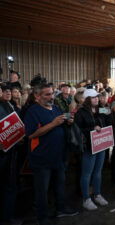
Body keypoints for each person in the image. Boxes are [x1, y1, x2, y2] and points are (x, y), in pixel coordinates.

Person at [24, 83, 78, 225]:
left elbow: (63, 118)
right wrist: (53, 124)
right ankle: (42, 217)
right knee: (42, 189)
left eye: (52, 93)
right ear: (37, 96)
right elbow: (31, 135)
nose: (51, 97)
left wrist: (69, 120)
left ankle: (60, 208)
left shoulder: (56, 108)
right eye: (47, 94)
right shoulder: (32, 111)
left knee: (60, 184)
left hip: (59, 155)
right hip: (42, 158)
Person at [74, 88, 111, 210]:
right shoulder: (81, 112)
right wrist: (92, 128)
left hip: (101, 144)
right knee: (87, 173)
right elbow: (77, 130)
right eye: (94, 97)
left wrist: (106, 111)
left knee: (98, 172)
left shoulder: (100, 109)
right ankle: (86, 198)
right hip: (88, 147)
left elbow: (110, 114)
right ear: (88, 99)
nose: (97, 98)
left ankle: (97, 194)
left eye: (97, 97)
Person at [0, 85, 22, 225]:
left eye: (9, 91)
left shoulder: (9, 105)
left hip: (11, 152)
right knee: (7, 186)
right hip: (3, 156)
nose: (7, 93)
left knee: (9, 186)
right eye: (4, 91)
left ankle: (7, 217)